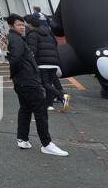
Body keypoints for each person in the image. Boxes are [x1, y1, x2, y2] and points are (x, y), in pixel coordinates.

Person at [5, 14, 68, 156]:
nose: (22, 27)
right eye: (18, 25)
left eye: (23, 24)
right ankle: (46, 144)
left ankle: (22, 138)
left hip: (24, 80)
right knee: (40, 110)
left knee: (25, 108)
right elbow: (15, 60)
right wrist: (16, 75)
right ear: (11, 26)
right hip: (27, 81)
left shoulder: (17, 38)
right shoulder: (16, 40)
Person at [28, 16, 68, 110]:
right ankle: (49, 105)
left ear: (30, 24)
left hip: (42, 63)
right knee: (49, 84)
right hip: (54, 62)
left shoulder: (33, 34)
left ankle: (62, 96)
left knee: (45, 83)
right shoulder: (48, 32)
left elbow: (32, 50)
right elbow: (55, 44)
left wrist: (30, 62)